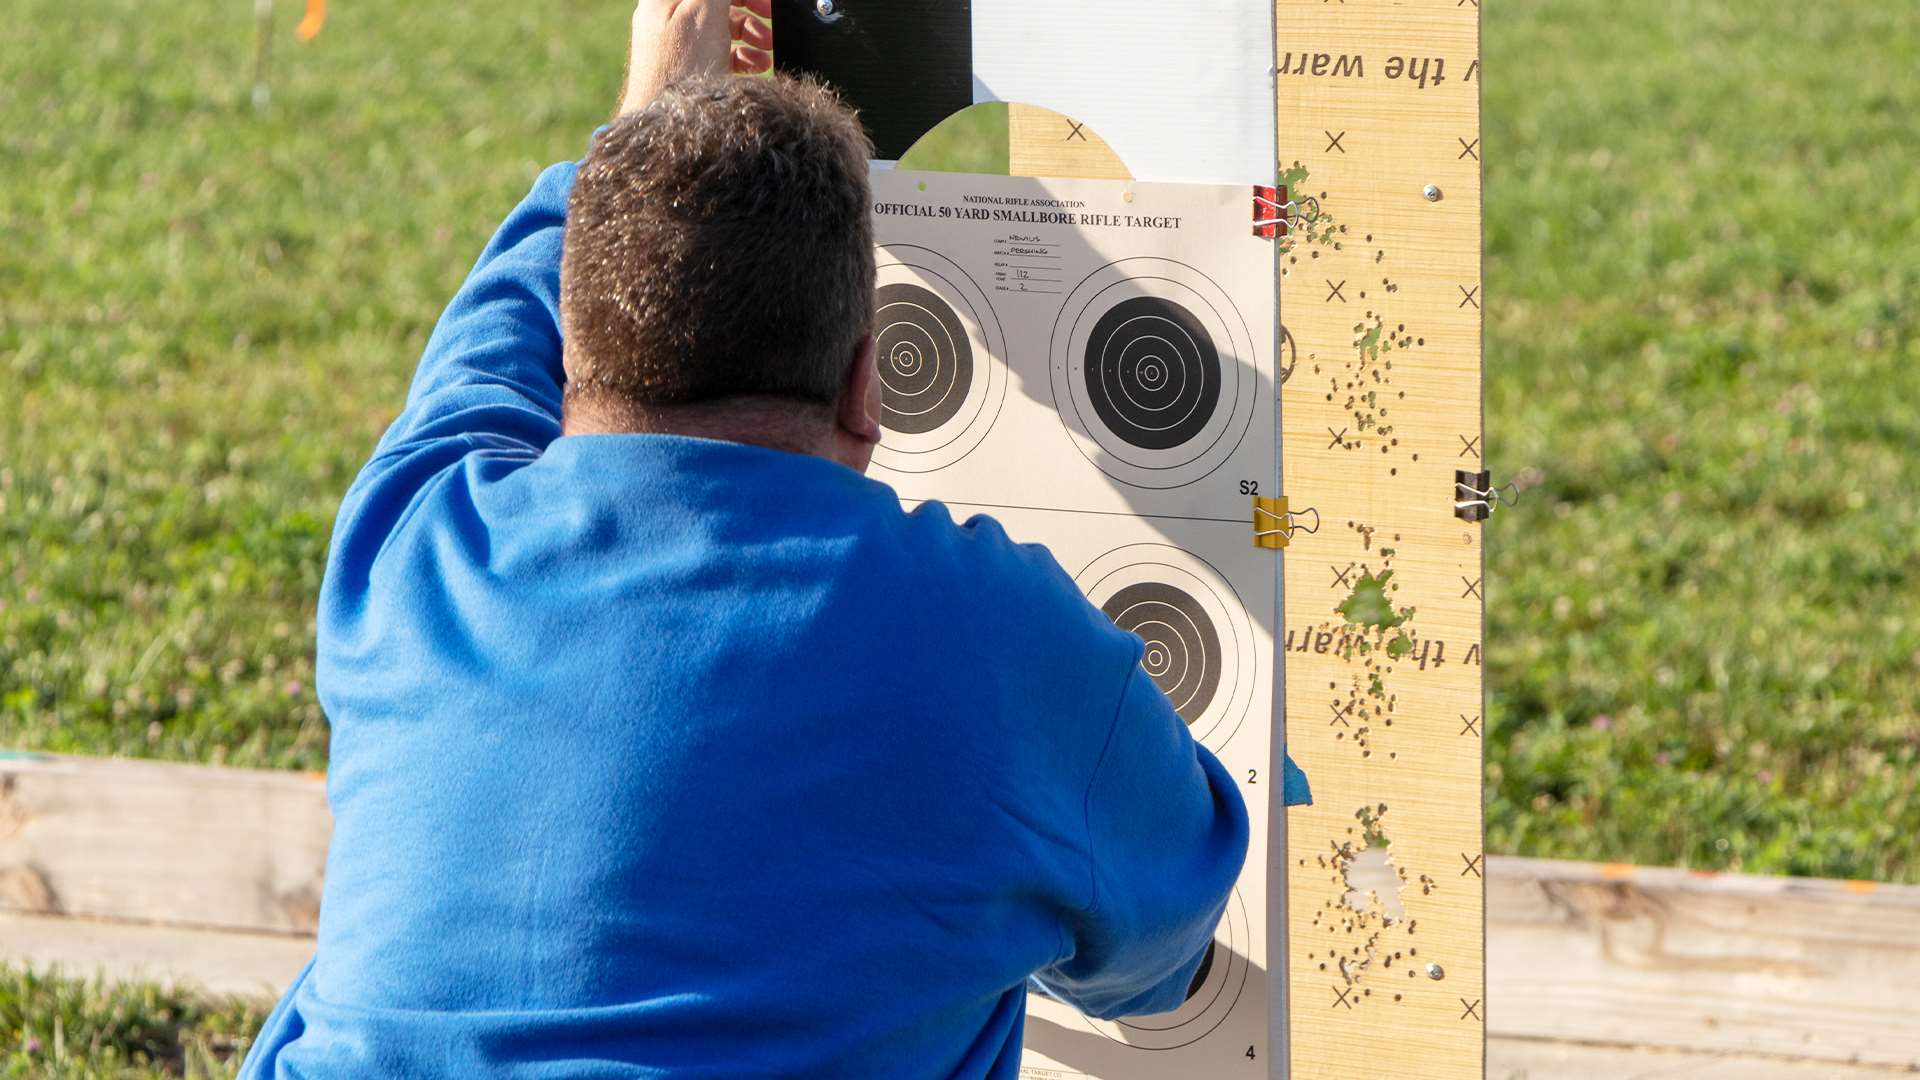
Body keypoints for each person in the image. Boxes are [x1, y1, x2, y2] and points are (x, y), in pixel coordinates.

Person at [241, 2, 1305, 1076]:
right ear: (866, 381)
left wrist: (652, 95)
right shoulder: (998, 640)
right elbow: (1160, 947)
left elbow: (500, 325)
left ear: (573, 361)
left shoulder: (413, 547)